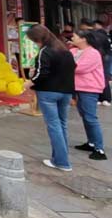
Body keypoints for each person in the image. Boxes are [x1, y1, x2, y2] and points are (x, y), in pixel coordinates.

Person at [24, 24, 76, 172]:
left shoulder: (45, 51)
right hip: (66, 91)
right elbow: (73, 68)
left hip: (48, 92)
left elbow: (42, 73)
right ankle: (59, 158)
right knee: (61, 124)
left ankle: (62, 161)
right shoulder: (65, 50)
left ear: (37, 39)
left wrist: (30, 82)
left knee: (54, 125)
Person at [70, 30, 107, 160]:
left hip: (89, 88)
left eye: (74, 36)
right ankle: (91, 143)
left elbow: (80, 68)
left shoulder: (93, 53)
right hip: (77, 87)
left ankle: (99, 149)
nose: (72, 38)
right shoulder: (73, 51)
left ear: (83, 39)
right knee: (85, 116)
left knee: (90, 117)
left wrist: (65, 65)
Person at [91, 20, 112, 106]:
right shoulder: (106, 34)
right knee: (104, 76)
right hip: (107, 56)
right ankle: (106, 98)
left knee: (99, 76)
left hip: (101, 56)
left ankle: (101, 97)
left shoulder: (96, 35)